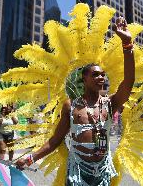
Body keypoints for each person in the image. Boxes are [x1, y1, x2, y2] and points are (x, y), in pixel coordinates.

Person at [15, 17, 134, 185]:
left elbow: (128, 82)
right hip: (77, 174)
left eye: (102, 74)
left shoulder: (110, 102)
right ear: (84, 79)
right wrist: (29, 158)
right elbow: (55, 140)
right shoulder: (71, 106)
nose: (101, 77)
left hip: (102, 173)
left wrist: (127, 44)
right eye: (95, 74)